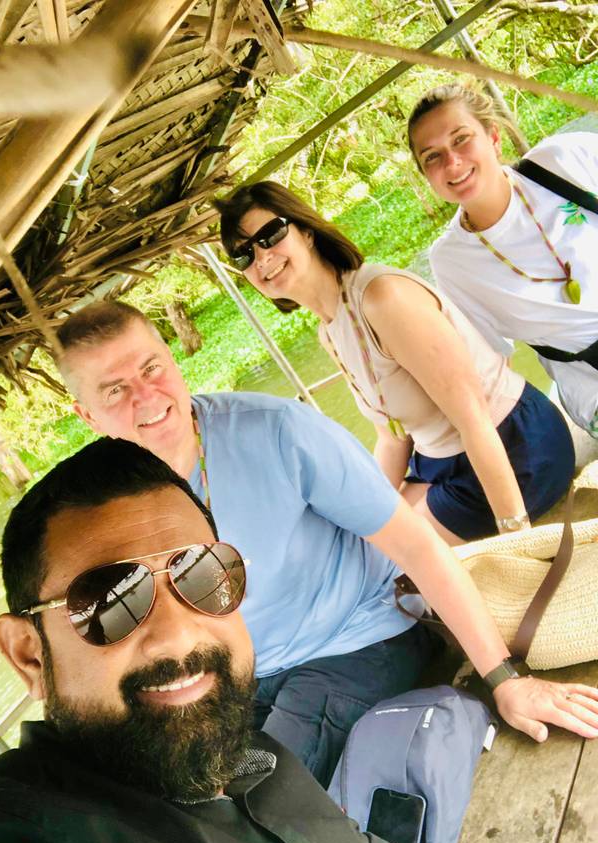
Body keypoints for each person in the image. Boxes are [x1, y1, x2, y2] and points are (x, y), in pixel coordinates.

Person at [0, 438, 597, 843]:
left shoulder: (249, 754)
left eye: (202, 575)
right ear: (29, 653)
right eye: (107, 601)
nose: (176, 633)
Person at [53, 302, 598, 784]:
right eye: (115, 390)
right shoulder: (105, 504)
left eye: (151, 368)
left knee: (264, 792)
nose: (146, 396)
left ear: (173, 362)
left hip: (357, 636)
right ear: (86, 415)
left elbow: (417, 547)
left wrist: (505, 680)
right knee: (174, 794)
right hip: (239, 676)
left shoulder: (278, 431)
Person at [216, 181, 574, 546]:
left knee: (397, 559)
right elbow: (391, 438)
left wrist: (518, 537)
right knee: (364, 545)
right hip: (439, 462)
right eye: (243, 255)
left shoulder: (382, 298)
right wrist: (360, 521)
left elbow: (474, 417)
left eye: (270, 235)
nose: (261, 257)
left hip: (515, 446)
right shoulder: (331, 329)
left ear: (306, 231)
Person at [406, 82, 598, 438]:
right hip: (591, 382)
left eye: (461, 139)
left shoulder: (562, 160)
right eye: (432, 156)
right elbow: (492, 361)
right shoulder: (452, 262)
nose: (452, 162)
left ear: (493, 137)